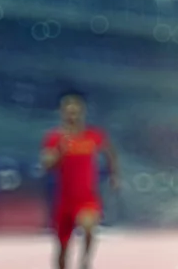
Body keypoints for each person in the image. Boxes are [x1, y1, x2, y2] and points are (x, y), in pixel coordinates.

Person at [40, 92, 117, 269]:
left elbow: (110, 153)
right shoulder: (55, 138)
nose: (72, 116)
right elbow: (46, 165)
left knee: (89, 227)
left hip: (87, 198)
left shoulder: (93, 136)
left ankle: (85, 262)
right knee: (62, 250)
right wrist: (59, 151)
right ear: (62, 114)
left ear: (82, 113)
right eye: (68, 112)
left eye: (75, 112)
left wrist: (114, 175)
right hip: (65, 201)